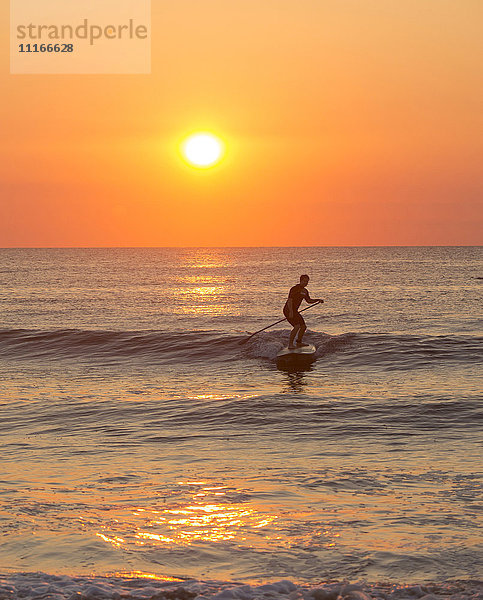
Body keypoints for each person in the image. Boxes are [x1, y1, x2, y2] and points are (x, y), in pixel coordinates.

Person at [283, 275, 323, 349]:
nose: (306, 283)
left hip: (295, 311)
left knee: (303, 327)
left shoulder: (305, 291)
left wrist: (318, 300)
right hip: (288, 309)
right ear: (300, 281)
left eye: (307, 281)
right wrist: (291, 312)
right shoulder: (294, 289)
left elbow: (309, 301)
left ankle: (299, 343)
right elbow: (290, 301)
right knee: (297, 326)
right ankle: (290, 345)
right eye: (304, 281)